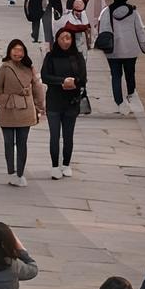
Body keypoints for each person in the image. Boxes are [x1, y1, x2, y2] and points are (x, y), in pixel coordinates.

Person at [38, 28, 87, 179]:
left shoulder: (77, 57)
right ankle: (54, 166)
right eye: (62, 38)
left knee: (68, 135)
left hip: (71, 101)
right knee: (54, 135)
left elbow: (83, 78)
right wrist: (61, 82)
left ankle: (66, 164)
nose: (65, 41)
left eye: (68, 38)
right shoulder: (50, 56)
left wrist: (74, 82)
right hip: (54, 100)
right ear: (57, 40)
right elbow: (45, 76)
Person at [0, 39, 42, 187]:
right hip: (8, 110)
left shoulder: (29, 68)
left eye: (20, 50)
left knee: (22, 143)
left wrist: (39, 107)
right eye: (15, 49)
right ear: (9, 51)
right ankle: (11, 172)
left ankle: (20, 173)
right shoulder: (5, 68)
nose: (17, 53)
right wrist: (7, 101)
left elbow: (37, 88)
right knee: (8, 142)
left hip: (25, 111)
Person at [95, 0, 145, 112]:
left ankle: (119, 103)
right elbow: (140, 30)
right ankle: (131, 96)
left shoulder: (107, 11)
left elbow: (103, 30)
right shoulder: (133, 11)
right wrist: (144, 46)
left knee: (115, 75)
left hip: (113, 50)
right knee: (130, 74)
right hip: (131, 50)